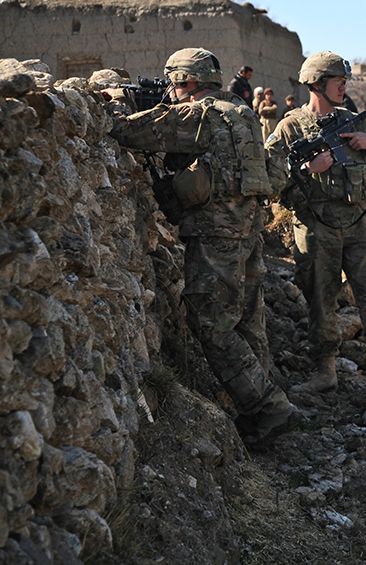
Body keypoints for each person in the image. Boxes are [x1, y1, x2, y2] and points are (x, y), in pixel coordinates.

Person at [108, 48, 299, 446]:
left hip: (215, 233)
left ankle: (269, 407)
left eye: (174, 86)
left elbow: (127, 132)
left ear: (186, 82)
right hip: (248, 229)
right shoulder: (241, 111)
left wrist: (113, 104)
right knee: (247, 320)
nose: (172, 93)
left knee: (209, 322)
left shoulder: (197, 114)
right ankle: (259, 415)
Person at [265, 51, 366, 394]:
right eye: (338, 82)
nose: (344, 87)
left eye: (345, 82)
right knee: (321, 297)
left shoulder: (356, 121)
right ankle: (325, 371)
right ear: (317, 84)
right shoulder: (289, 128)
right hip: (317, 226)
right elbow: (269, 181)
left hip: (359, 223)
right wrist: (305, 170)